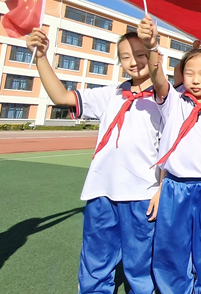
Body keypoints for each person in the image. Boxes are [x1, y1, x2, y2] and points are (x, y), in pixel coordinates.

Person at [26, 28, 160, 294]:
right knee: (95, 261)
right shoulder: (110, 94)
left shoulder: (166, 98)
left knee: (141, 265)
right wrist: (41, 57)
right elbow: (61, 97)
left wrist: (162, 188)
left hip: (143, 193)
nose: (133, 62)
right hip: (101, 191)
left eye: (140, 54)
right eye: (125, 57)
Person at [137, 15, 201, 294]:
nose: (196, 79)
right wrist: (152, 46)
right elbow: (157, 78)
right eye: (189, 73)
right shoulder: (173, 101)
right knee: (171, 249)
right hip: (176, 188)